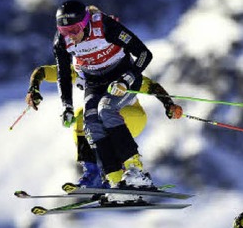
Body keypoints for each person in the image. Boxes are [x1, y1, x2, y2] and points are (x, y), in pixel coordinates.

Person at [50, 0, 179, 191]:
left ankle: (136, 171)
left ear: (85, 23)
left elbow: (144, 54)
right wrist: (67, 106)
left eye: (74, 30)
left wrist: (126, 80)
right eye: (64, 31)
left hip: (123, 76)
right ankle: (115, 179)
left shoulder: (104, 27)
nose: (70, 36)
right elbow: (63, 73)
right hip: (94, 83)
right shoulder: (62, 42)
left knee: (106, 109)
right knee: (91, 120)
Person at [25, 64, 182, 188]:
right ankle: (98, 174)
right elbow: (43, 71)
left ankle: (132, 171)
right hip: (106, 118)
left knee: (102, 117)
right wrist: (34, 88)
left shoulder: (118, 70)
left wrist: (169, 104)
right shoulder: (82, 70)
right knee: (84, 115)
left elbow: (151, 86)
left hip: (132, 117)